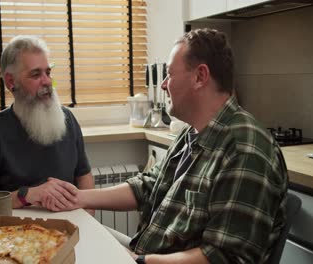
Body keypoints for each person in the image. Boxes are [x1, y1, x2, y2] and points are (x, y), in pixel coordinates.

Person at [55, 28, 289, 263]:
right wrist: (80, 197)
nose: (164, 85)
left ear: (200, 76)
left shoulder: (244, 150)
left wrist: (141, 261)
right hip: (146, 253)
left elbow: (223, 257)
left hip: (150, 260)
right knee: (72, 241)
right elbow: (147, 187)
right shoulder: (191, 133)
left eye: (169, 75)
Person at [0, 36, 92, 212]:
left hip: (75, 228)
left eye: (48, 73)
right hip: (19, 235)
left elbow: (84, 176)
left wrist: (88, 220)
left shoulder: (68, 120)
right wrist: (26, 195)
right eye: (36, 74)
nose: (47, 81)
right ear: (11, 82)